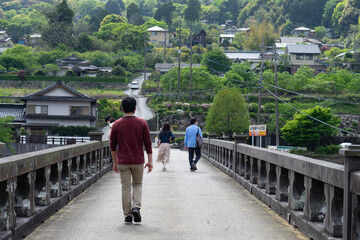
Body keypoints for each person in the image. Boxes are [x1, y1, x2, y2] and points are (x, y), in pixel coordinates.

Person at [110, 96, 153, 225]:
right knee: (138, 185)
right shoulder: (142, 123)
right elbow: (148, 143)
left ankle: (128, 215)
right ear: (135, 108)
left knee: (126, 187)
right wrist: (150, 161)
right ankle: (136, 207)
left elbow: (112, 145)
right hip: (138, 160)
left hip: (123, 161)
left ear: (122, 108)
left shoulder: (116, 124)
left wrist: (115, 161)